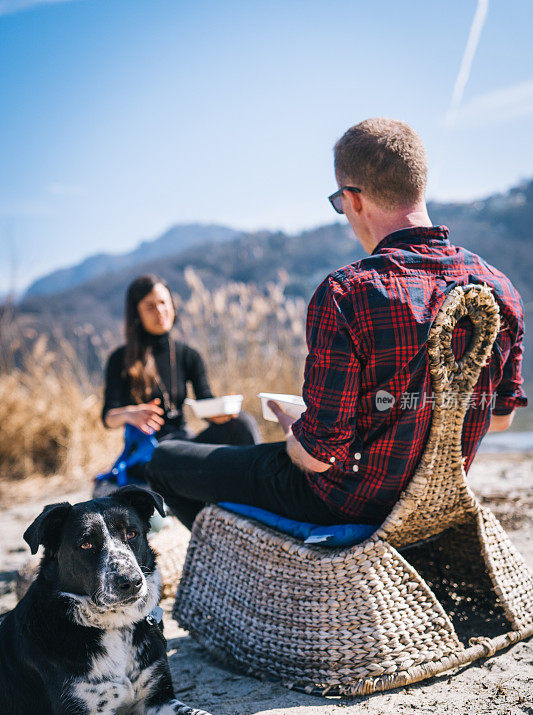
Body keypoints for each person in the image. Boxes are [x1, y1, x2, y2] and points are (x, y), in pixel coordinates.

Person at [146, 118, 528, 530]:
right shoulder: (499, 290)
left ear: (353, 199)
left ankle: (238, 552)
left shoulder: (349, 294)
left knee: (164, 462)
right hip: (438, 505)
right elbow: (501, 417)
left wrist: (297, 430)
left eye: (339, 203)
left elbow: (317, 458)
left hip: (344, 502)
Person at [100, 274, 261, 485]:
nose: (160, 311)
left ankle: (259, 484)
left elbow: (205, 401)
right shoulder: (121, 359)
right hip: (153, 450)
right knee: (174, 455)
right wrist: (131, 413)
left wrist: (221, 410)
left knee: (242, 423)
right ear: (137, 314)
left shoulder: (188, 355)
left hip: (186, 441)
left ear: (172, 305)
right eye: (150, 306)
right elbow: (108, 417)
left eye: (163, 302)